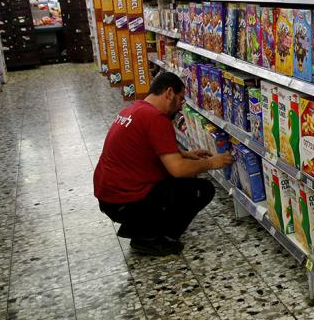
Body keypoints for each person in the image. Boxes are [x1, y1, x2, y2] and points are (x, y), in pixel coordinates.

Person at [93, 72, 234, 256]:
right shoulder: (156, 118)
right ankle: (151, 238)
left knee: (180, 178)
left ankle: (138, 227)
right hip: (124, 199)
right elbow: (177, 169)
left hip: (109, 196)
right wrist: (211, 163)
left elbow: (147, 149)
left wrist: (186, 154)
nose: (181, 106)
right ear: (169, 93)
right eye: (181, 99)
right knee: (201, 189)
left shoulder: (135, 109)